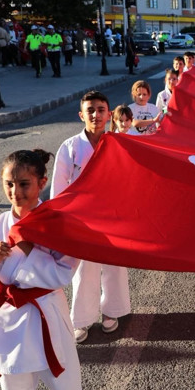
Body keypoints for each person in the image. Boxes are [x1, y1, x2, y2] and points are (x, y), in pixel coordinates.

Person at [0, 149, 88, 390]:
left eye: (24, 184)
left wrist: (28, 252)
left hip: (46, 314)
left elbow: (64, 272)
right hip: (8, 319)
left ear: (41, 183)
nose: (15, 192)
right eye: (9, 184)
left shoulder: (58, 224)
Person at [51, 91, 131, 343]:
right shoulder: (70, 147)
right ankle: (82, 319)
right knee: (84, 270)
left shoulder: (119, 144)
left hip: (113, 217)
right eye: (90, 110)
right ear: (81, 115)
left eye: (100, 109)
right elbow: (59, 187)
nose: (96, 115)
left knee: (114, 266)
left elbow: (131, 180)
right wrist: (62, 219)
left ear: (109, 114)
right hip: (81, 219)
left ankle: (111, 311)